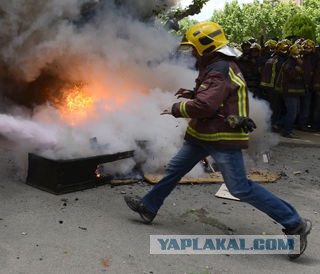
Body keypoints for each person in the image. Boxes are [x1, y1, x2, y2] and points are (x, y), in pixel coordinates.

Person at [123, 22, 311, 260]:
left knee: (240, 188)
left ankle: (295, 224)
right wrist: (192, 94)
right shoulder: (215, 65)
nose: (191, 52)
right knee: (174, 169)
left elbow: (206, 105)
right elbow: (214, 97)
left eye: (194, 47)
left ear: (206, 46)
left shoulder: (218, 69)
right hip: (204, 134)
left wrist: (176, 107)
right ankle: (148, 207)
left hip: (222, 136)